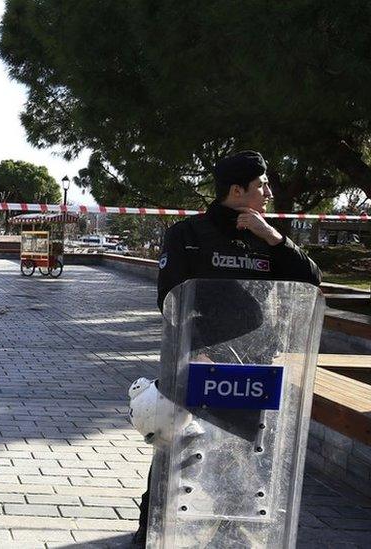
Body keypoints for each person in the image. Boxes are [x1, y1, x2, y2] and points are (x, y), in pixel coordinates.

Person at [133, 150, 321, 545]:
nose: (268, 191)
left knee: (239, 453)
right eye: (261, 185)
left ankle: (230, 528)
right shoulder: (187, 235)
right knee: (176, 447)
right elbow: (170, 299)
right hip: (195, 362)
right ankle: (151, 527)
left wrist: (274, 238)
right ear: (237, 190)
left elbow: (311, 284)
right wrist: (196, 349)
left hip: (251, 367)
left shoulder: (268, 236)